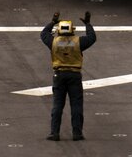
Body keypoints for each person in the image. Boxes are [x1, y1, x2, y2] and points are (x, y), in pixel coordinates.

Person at [40, 11, 96, 141]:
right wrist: (88, 24)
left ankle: (54, 133)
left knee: (57, 105)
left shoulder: (53, 42)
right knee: (76, 105)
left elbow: (43, 34)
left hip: (59, 75)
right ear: (72, 30)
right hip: (74, 75)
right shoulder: (78, 42)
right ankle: (77, 133)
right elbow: (92, 37)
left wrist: (52, 22)